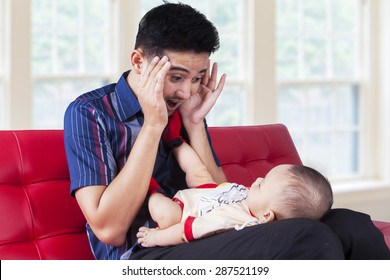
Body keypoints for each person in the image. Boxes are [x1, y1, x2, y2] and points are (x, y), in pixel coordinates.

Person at [64, 2, 390, 260]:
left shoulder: (186, 107)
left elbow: (222, 194)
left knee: (352, 224)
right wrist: (153, 125)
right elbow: (109, 230)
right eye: (176, 77)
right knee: (309, 236)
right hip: (148, 252)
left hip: (215, 230)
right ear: (139, 61)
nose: (188, 92)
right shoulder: (90, 113)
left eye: (196, 78)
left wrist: (194, 125)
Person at [137, 113, 334, 247]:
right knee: (198, 171)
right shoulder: (257, 201)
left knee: (165, 214)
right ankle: (175, 141)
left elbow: (185, 232)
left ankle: (148, 184)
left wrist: (156, 237)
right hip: (210, 192)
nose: (257, 179)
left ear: (266, 216)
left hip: (185, 212)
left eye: (262, 184)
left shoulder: (230, 221)